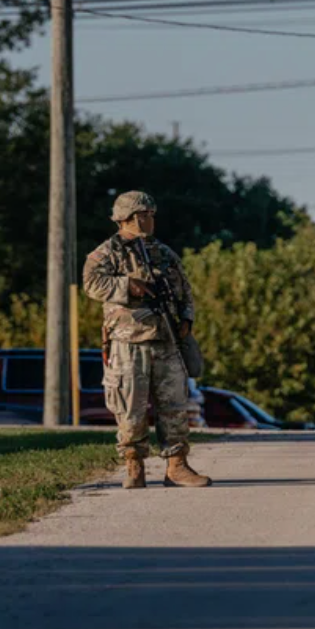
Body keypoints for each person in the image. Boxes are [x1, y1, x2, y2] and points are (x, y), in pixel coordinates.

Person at [83, 190, 213, 489]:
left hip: (166, 340)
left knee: (175, 405)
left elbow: (184, 288)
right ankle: (134, 465)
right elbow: (91, 283)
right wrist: (129, 286)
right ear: (128, 218)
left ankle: (177, 466)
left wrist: (186, 318)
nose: (151, 220)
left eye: (152, 215)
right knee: (130, 408)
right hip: (128, 342)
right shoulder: (107, 253)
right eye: (146, 215)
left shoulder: (163, 253)